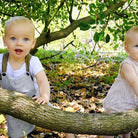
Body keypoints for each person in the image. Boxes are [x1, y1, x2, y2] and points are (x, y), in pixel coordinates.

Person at [0, 16, 50, 138]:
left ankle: (69, 133)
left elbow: (42, 81)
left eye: (26, 39)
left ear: (33, 43)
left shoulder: (33, 61)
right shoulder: (1, 60)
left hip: (34, 99)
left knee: (55, 117)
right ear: (4, 40)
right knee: (16, 131)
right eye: (13, 38)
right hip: (12, 103)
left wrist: (44, 96)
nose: (19, 43)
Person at [103, 26, 138, 138]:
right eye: (137, 46)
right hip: (119, 103)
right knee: (111, 129)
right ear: (127, 49)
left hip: (131, 102)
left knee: (126, 130)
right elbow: (134, 83)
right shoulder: (127, 65)